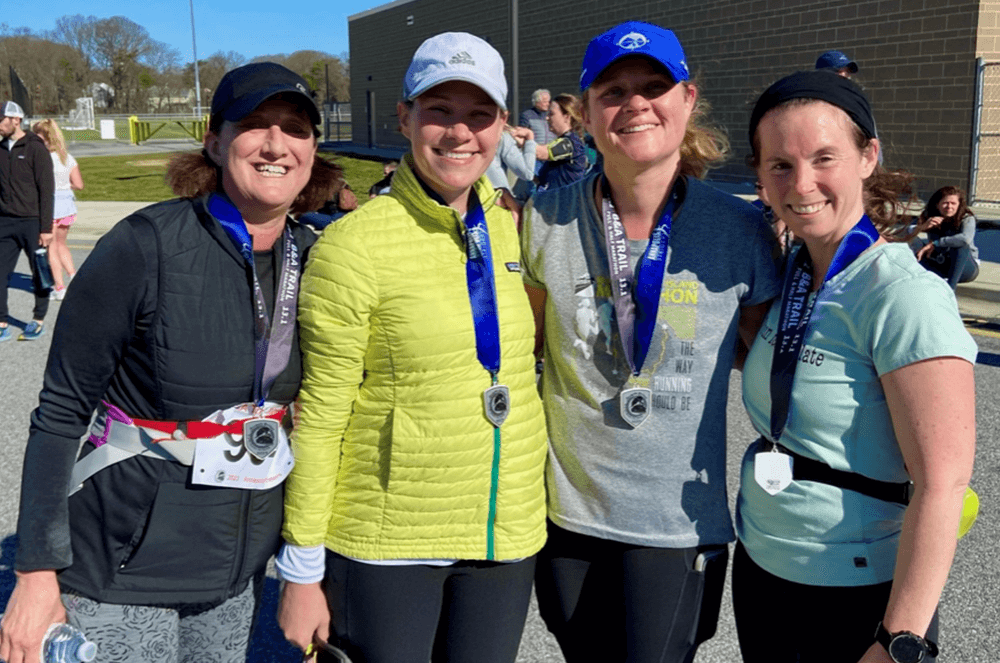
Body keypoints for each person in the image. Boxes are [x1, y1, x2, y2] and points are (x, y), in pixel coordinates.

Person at [0, 62, 339, 663]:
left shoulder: (317, 260)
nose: (276, 144)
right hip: (123, 568)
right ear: (215, 140)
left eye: (295, 128)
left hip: (236, 575)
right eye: (255, 124)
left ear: (313, 148)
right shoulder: (144, 245)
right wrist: (34, 573)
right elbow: (60, 412)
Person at [277, 32, 548, 663]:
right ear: (405, 118)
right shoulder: (354, 246)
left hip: (502, 535)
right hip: (388, 541)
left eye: (479, 115)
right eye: (439, 111)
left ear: (503, 126)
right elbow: (321, 414)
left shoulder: (514, 229)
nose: (460, 133)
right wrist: (301, 566)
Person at [520, 21, 779, 663]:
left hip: (677, 527)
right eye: (614, 90)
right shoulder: (542, 220)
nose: (635, 103)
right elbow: (522, 352)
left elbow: (774, 364)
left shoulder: (739, 230)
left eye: (653, 86)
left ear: (686, 100)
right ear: (583, 114)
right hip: (566, 517)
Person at [735, 70, 977, 663]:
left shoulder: (902, 294)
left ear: (868, 156)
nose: (803, 184)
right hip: (766, 567)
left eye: (824, 158)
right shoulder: (791, 273)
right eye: (780, 166)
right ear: (761, 178)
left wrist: (899, 640)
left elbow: (944, 484)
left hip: (857, 594)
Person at [0, 100, 54, 341]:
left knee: (39, 273)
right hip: (5, 222)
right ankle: (2, 321)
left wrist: (46, 228)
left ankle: (38, 319)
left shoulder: (35, 148)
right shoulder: (0, 148)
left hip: (32, 222)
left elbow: (46, 190)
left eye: (1, 120)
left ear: (15, 120)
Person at [32, 119, 84, 300]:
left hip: (51, 204)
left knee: (51, 248)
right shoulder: (67, 158)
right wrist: (64, 184)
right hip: (68, 204)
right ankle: (75, 277)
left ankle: (59, 286)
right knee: (62, 244)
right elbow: (78, 184)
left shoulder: (42, 158)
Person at [914, 185, 979, 288]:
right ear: (937, 204)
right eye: (945, 203)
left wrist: (936, 243)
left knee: (961, 246)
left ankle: (950, 289)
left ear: (959, 205)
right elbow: (904, 234)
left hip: (963, 267)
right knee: (913, 242)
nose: (949, 207)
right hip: (938, 262)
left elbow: (965, 239)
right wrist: (921, 227)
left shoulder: (967, 218)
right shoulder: (929, 215)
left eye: (953, 203)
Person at [535, 93, 588, 192]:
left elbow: (540, 153)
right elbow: (543, 180)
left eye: (551, 114)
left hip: (566, 205)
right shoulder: (563, 141)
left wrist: (526, 140)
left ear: (566, 117)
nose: (547, 118)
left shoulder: (571, 142)